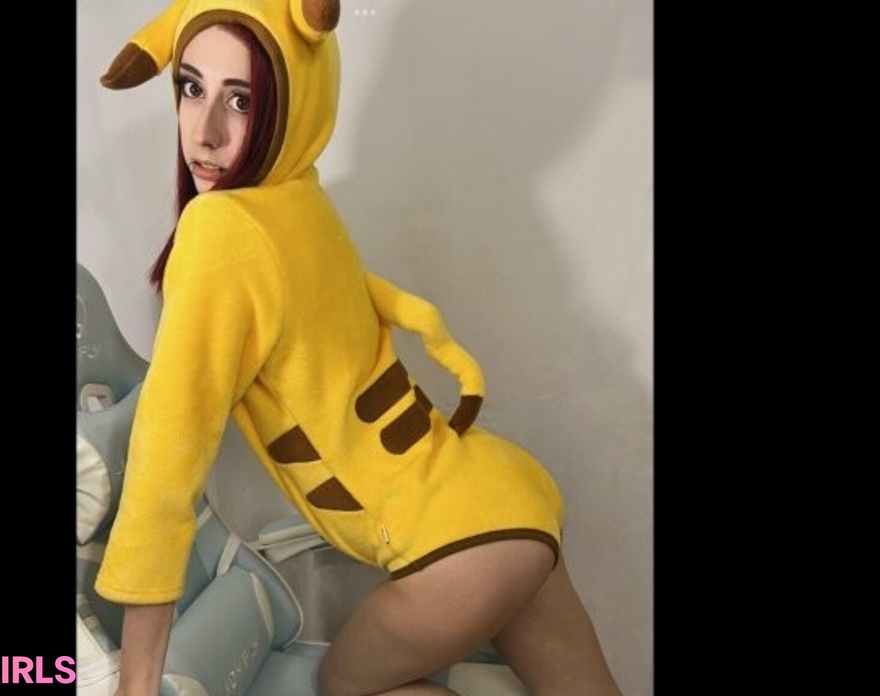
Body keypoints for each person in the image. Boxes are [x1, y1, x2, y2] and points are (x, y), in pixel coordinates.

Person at [93, 2, 622, 695]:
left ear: (293, 101)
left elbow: (167, 464)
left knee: (343, 689)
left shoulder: (220, 230)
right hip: (509, 496)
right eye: (191, 88)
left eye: (242, 100)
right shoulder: (300, 201)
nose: (206, 131)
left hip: (457, 551)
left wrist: (136, 684)